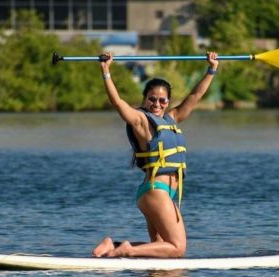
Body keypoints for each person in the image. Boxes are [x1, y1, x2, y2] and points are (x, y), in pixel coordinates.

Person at [92, 51, 220, 258]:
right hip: (156, 192)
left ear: (168, 102)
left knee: (160, 248)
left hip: (160, 194)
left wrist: (212, 69)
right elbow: (118, 103)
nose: (157, 104)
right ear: (144, 99)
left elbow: (195, 96)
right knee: (177, 248)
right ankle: (127, 250)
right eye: (152, 99)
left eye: (162, 100)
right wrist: (106, 71)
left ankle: (112, 245)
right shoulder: (141, 121)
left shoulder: (172, 118)